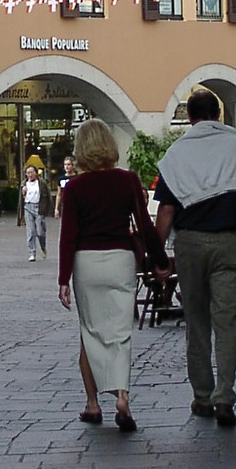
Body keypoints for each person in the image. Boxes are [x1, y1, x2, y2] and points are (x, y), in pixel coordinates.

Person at [154, 89, 236, 428]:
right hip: (230, 240)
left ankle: (202, 395)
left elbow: (166, 211)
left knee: (197, 320)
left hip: (190, 243)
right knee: (227, 321)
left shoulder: (177, 153)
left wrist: (157, 255)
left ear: (189, 117)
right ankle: (225, 397)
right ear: (218, 113)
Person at [58, 119, 169, 432]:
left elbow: (68, 235)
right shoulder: (127, 180)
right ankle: (122, 397)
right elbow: (144, 224)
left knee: (90, 332)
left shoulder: (74, 187)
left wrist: (63, 278)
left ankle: (93, 403)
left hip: (87, 262)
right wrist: (160, 260)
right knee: (120, 332)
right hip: (121, 259)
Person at [20, 164, 52, 261]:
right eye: (28, 173)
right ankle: (32, 253)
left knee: (40, 232)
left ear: (36, 173)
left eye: (32, 172)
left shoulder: (42, 183)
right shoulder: (24, 184)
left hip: (39, 208)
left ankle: (43, 247)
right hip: (28, 207)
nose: (30, 175)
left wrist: (50, 209)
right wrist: (23, 192)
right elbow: (21, 198)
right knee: (31, 232)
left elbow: (48, 196)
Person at [54, 154, 77, 218]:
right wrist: (56, 208)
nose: (66, 167)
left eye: (68, 164)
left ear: (73, 166)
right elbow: (59, 194)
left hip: (76, 204)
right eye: (65, 164)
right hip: (64, 205)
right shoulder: (61, 179)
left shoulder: (77, 178)